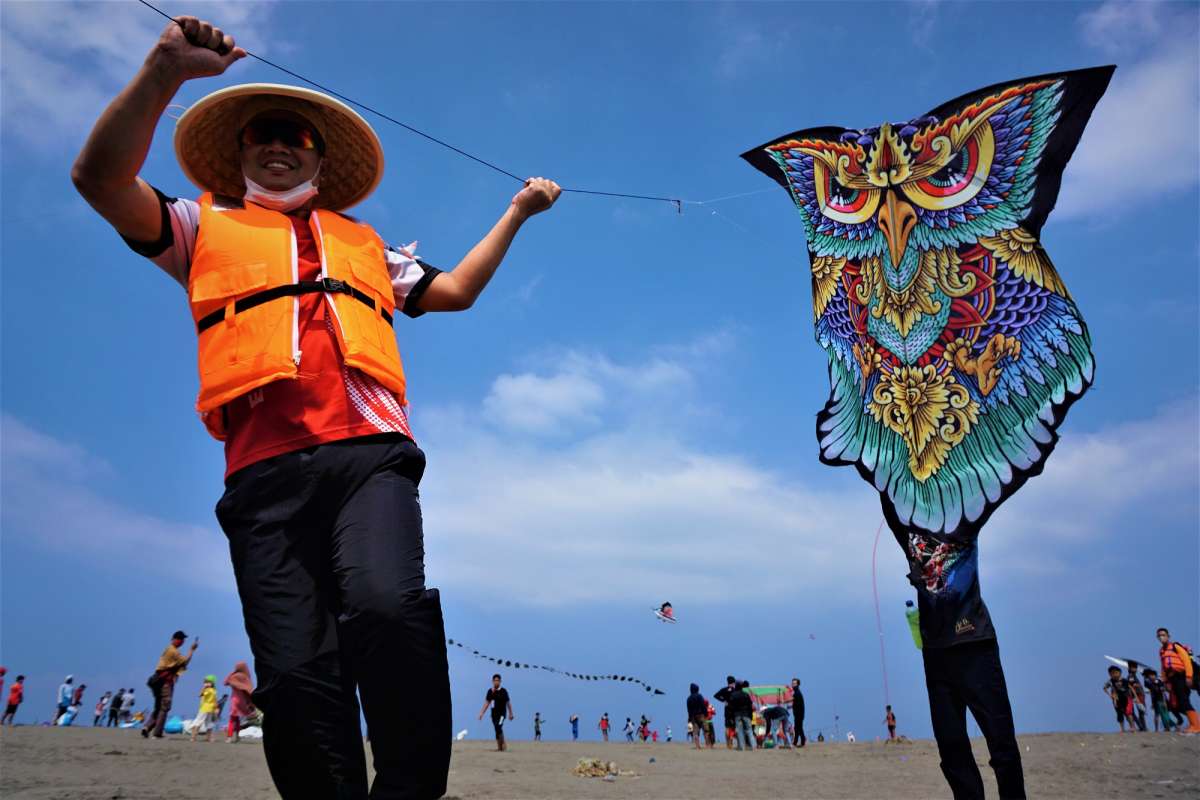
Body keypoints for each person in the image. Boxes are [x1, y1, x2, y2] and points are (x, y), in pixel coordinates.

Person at [72, 15, 560, 799]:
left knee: (386, 606)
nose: (279, 143)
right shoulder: (201, 227)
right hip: (262, 477)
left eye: (296, 136)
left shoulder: (367, 246)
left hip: (370, 456)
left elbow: (457, 291)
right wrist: (165, 69)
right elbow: (98, 179)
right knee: (296, 674)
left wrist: (516, 212)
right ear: (239, 150)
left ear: (318, 157)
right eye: (263, 132)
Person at [902, 532, 1025, 799]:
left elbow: (998, 489)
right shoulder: (906, 520)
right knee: (951, 749)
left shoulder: (965, 511)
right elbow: (884, 491)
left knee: (1001, 744)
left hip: (976, 643)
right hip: (935, 653)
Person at [143, 631, 198, 738]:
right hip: (165, 682)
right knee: (165, 707)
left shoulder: (169, 649)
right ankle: (157, 733)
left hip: (157, 681)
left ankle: (147, 727)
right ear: (176, 639)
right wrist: (192, 650)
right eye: (181, 639)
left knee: (159, 706)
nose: (182, 642)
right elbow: (185, 662)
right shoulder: (173, 651)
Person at [1158, 628, 1198, 734]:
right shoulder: (1161, 651)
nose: (1162, 637)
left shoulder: (1175, 646)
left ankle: (1196, 725)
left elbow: (1186, 661)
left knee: (1184, 700)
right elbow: (1163, 667)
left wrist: (1189, 676)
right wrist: (1165, 681)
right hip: (1172, 679)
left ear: (1168, 636)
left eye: (1163, 635)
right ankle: (1193, 724)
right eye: (1159, 636)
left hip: (1181, 676)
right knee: (1180, 702)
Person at [478, 674, 514, 752]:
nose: (496, 682)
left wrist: (511, 713)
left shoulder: (503, 691)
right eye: (495, 680)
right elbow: (487, 703)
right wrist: (481, 713)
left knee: (499, 726)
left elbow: (508, 703)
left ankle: (503, 744)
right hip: (494, 715)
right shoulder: (490, 691)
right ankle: (499, 747)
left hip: (502, 714)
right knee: (496, 729)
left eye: (498, 680)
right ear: (492, 681)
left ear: (500, 681)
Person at [224, 661, 256, 743]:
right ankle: (237, 737)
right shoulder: (246, 677)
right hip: (243, 701)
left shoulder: (234, 676)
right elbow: (249, 689)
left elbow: (225, 682)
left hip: (234, 700)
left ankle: (229, 737)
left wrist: (232, 673)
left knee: (232, 719)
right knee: (237, 720)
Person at [1103, 666, 1135, 733]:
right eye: (1112, 673)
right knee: (1119, 714)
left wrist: (1134, 697)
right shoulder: (1111, 681)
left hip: (1126, 698)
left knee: (1128, 714)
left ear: (1120, 673)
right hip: (1117, 700)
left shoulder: (1124, 680)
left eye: (1116, 673)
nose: (1114, 674)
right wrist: (1110, 695)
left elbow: (1130, 688)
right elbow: (1104, 688)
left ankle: (1132, 727)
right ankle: (1122, 729)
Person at [1142, 669, 1174, 733]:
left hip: (1161, 700)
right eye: (1150, 675)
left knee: (1164, 714)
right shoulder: (1150, 683)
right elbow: (1150, 692)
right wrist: (1153, 703)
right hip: (1155, 701)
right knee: (1157, 715)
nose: (1151, 676)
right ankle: (1156, 729)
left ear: (1155, 676)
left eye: (1153, 675)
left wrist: (1165, 702)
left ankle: (1168, 728)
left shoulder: (1159, 682)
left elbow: (1162, 693)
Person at [191, 675, 220, 743]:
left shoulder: (214, 690)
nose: (207, 683)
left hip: (210, 709)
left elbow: (215, 700)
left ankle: (209, 738)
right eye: (205, 682)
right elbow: (200, 695)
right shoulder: (206, 690)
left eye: (209, 682)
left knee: (209, 724)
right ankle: (193, 737)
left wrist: (216, 708)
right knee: (198, 722)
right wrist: (204, 688)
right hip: (204, 709)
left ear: (212, 683)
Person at [713, 676, 738, 750]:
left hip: (727, 710)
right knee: (733, 727)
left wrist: (723, 700)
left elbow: (716, 695)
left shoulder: (724, 690)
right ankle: (731, 741)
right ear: (733, 682)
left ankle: (728, 744)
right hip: (734, 710)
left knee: (727, 727)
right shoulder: (736, 690)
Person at [729, 681, 755, 751]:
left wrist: (731, 717)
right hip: (746, 714)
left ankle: (742, 747)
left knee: (739, 731)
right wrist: (751, 715)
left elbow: (730, 707)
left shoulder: (733, 695)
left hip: (737, 715)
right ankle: (753, 747)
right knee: (749, 731)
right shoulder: (746, 694)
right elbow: (750, 706)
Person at [685, 683, 707, 751]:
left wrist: (689, 718)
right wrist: (705, 713)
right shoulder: (699, 696)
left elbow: (688, 710)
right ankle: (708, 745)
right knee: (705, 730)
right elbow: (703, 705)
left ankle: (697, 746)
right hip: (701, 715)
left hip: (693, 717)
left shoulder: (688, 698)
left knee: (696, 732)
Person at [1126, 667, 1148, 732]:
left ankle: (1142, 727)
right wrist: (1136, 685)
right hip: (1137, 695)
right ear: (1130, 668)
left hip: (1137, 695)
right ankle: (1142, 727)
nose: (1135, 669)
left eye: (1135, 667)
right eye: (1134, 667)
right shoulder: (1131, 676)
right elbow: (1132, 685)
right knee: (1140, 711)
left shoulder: (1134, 676)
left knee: (1140, 712)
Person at [791, 678, 807, 747]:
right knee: (797, 728)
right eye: (792, 683)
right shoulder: (796, 692)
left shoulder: (797, 693)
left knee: (799, 728)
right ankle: (795, 742)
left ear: (798, 684)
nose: (793, 685)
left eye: (794, 683)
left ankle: (802, 741)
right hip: (797, 714)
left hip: (799, 714)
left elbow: (799, 705)